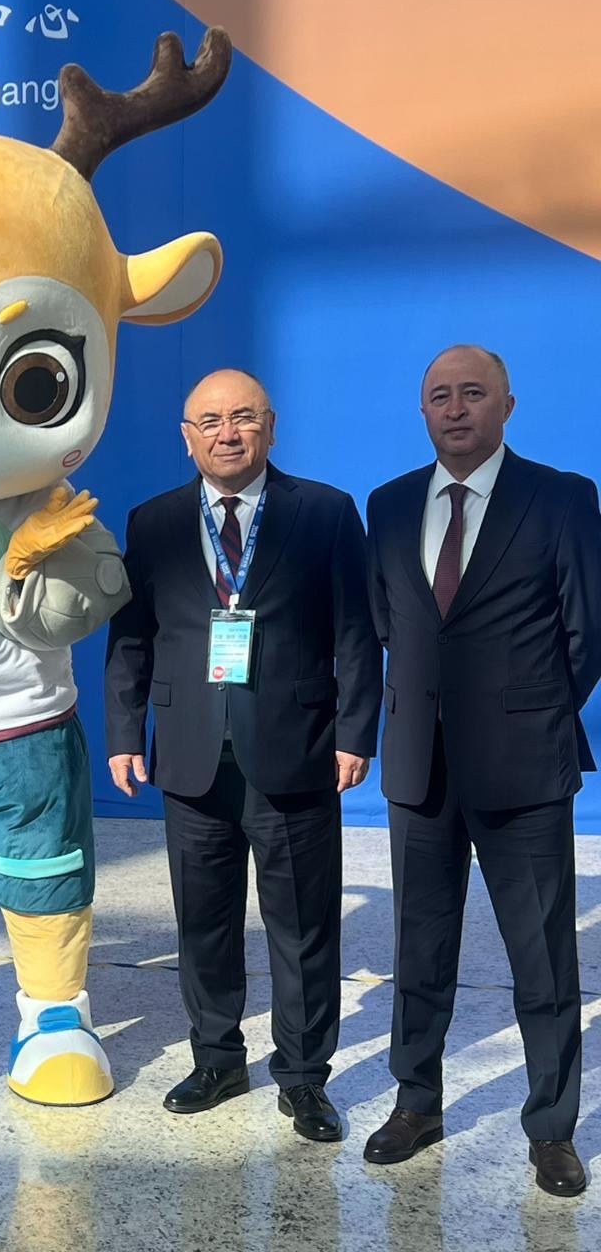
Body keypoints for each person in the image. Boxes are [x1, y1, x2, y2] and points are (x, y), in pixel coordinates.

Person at [104, 369, 381, 1141]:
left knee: (303, 927)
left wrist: (356, 732)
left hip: (297, 749)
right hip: (189, 754)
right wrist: (125, 733)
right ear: (187, 437)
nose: (228, 433)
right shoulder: (154, 520)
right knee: (204, 923)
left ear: (271, 427)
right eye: (211, 421)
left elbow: (356, 630)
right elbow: (132, 636)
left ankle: (304, 1078)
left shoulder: (324, 511)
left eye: (244, 418)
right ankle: (218, 1059)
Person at [363, 345, 601, 1197]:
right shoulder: (389, 505)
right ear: (423, 411)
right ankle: (416, 1103)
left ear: (507, 405)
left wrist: (526, 714)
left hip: (524, 769)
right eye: (440, 396)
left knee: (543, 959)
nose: (456, 408)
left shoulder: (561, 497)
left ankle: (551, 1129)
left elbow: (586, 633)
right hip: (419, 767)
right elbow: (388, 624)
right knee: (419, 951)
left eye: (473, 393)